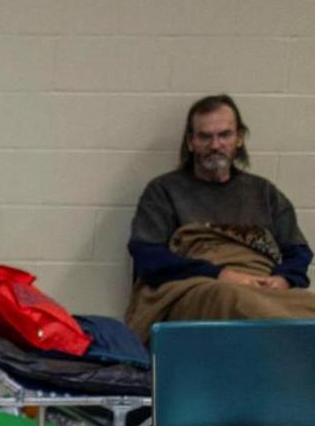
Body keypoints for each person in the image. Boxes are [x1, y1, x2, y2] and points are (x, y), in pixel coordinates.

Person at [126, 94, 312, 336]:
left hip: (264, 286)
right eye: (205, 136)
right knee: (231, 298)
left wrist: (284, 278)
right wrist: (220, 274)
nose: (215, 145)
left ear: (239, 139)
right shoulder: (163, 190)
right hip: (198, 286)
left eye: (224, 135)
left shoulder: (263, 192)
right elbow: (146, 254)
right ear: (191, 142)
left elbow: (297, 251)